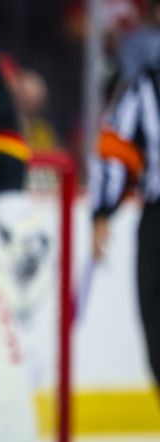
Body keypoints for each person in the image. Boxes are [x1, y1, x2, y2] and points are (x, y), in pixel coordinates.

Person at [90, 63, 160, 398]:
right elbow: (117, 149)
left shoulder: (148, 84)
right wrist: (102, 213)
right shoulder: (147, 84)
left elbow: (116, 151)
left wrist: (102, 212)